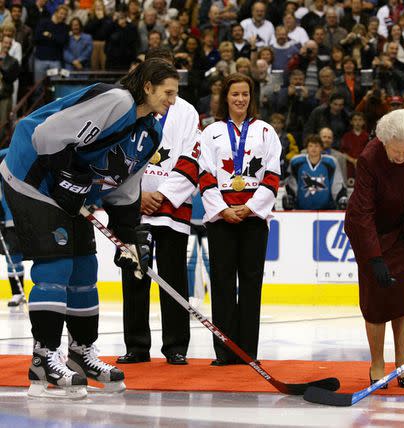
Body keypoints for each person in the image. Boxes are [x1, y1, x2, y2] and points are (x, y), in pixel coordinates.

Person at [0, 58, 179, 399]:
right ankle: (43, 361)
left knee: (84, 266)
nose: (172, 101)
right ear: (148, 87)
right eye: (168, 93)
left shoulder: (151, 132)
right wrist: (69, 174)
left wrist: (127, 240)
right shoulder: (117, 101)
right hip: (31, 177)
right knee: (56, 264)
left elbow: (126, 189)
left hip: (69, 193)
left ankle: (81, 354)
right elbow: (45, 133)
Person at [157, 73, 281, 365]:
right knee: (223, 283)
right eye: (235, 94)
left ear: (252, 98)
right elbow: (204, 174)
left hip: (254, 217)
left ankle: (248, 351)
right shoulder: (211, 132)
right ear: (225, 98)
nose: (240, 99)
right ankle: (225, 352)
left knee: (251, 283)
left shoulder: (266, 131)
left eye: (245, 94)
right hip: (220, 216)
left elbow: (273, 175)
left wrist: (250, 208)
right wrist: (223, 209)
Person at [117, 48, 199, 366]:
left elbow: (192, 159)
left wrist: (161, 195)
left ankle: (176, 346)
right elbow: (118, 155)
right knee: (134, 276)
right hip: (134, 207)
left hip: (172, 212)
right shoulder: (131, 109)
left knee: (174, 277)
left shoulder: (187, 112)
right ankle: (137, 346)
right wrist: (137, 195)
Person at [345, 108, 404, 389]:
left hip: (402, 229)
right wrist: (374, 259)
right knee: (376, 297)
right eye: (397, 152)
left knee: (400, 295)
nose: (402, 157)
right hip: (371, 230)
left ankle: (403, 365)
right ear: (384, 142)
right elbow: (362, 214)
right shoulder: (369, 158)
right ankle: (377, 365)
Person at [283, 134, 347, 210]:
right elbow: (291, 184)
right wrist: (290, 196)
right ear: (306, 148)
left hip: (327, 211)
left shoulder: (331, 162)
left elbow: (337, 183)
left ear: (321, 148)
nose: (313, 149)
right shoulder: (296, 162)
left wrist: (341, 197)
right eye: (310, 146)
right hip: (301, 211)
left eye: (316, 146)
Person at [0, 148, 25, 307]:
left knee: (45, 256)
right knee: (13, 257)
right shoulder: (4, 155)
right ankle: (17, 293)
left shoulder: (38, 149)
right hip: (11, 219)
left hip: (36, 216)